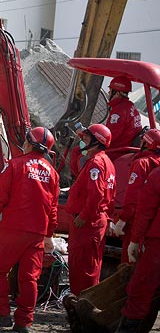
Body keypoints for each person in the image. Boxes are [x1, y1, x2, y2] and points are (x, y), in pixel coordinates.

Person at [0, 127, 59, 333]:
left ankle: (1, 313)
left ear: (29, 144)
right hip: (37, 234)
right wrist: (49, 234)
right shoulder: (53, 173)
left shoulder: (14, 165)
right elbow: (53, 207)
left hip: (13, 229)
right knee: (29, 278)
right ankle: (24, 322)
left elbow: (0, 196)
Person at [65, 124, 116, 295]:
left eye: (86, 138)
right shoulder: (107, 162)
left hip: (87, 223)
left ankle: (82, 306)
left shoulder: (96, 163)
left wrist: (84, 216)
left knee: (83, 267)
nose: (83, 141)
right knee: (90, 265)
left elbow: (96, 195)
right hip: (95, 221)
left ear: (96, 141)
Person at [117, 165, 160, 333]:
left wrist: (134, 241)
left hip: (156, 244)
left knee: (140, 291)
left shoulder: (156, 175)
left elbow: (145, 210)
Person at [113, 128, 160, 263]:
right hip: (151, 225)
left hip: (135, 223)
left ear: (147, 143)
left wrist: (123, 219)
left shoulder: (141, 164)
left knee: (128, 263)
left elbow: (133, 196)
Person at [106, 76, 142, 150]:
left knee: (80, 153)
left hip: (115, 151)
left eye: (110, 90)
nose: (108, 92)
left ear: (117, 93)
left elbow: (109, 135)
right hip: (126, 148)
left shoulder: (119, 111)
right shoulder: (130, 106)